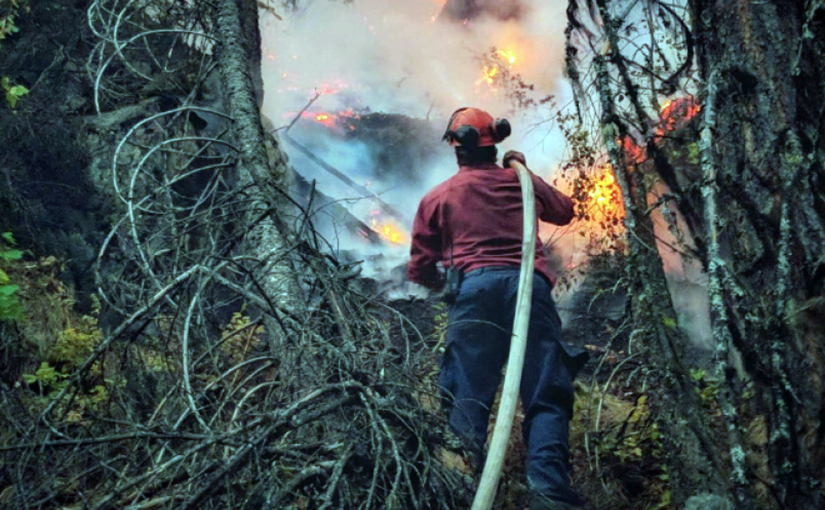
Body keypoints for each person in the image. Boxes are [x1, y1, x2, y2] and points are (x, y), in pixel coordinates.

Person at [407, 107, 589, 510]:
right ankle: (549, 494)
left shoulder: (438, 197)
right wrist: (526, 171)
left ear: (456, 147)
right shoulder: (519, 184)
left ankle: (461, 491)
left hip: (473, 297)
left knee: (467, 397)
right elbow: (564, 210)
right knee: (545, 393)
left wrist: (446, 284)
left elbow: (419, 268)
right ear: (497, 144)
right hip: (529, 293)